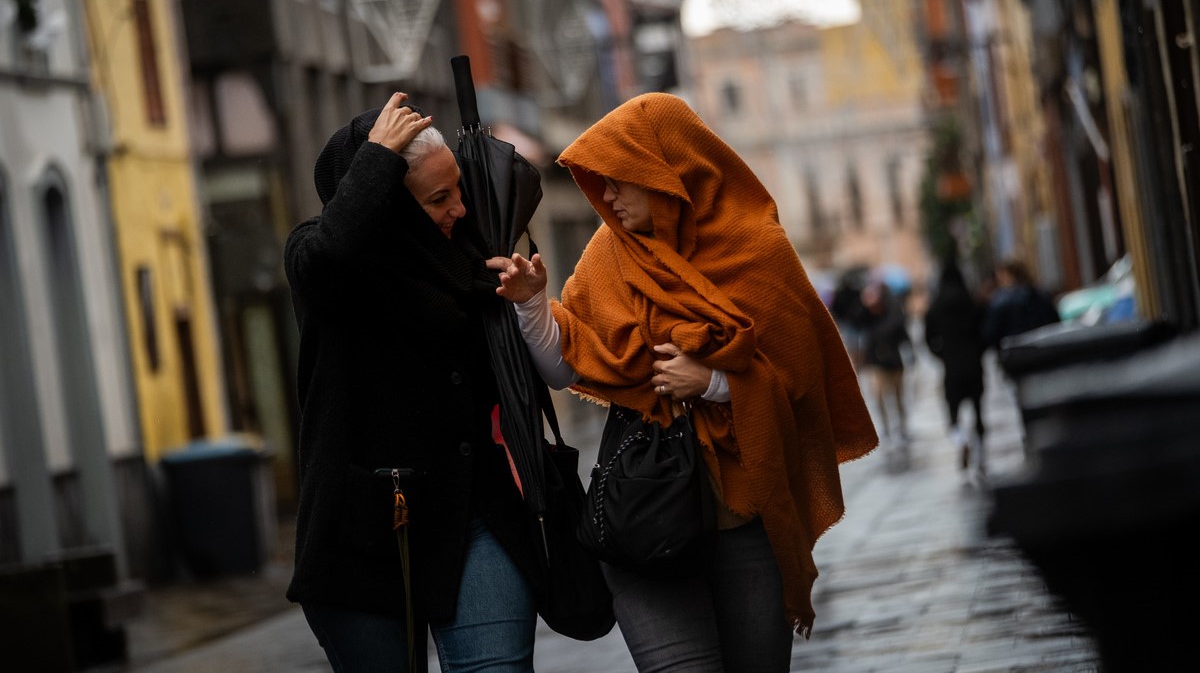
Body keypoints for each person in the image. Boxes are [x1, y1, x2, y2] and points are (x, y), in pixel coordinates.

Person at [488, 92, 879, 671]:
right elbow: (567, 366)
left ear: (667, 171)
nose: (608, 196)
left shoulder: (758, 250)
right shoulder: (609, 256)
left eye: (619, 179)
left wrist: (716, 382)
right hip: (642, 516)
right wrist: (530, 307)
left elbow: (801, 384)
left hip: (744, 520)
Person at [283, 92, 545, 672]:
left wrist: (530, 307)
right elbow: (331, 260)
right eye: (437, 199)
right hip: (365, 536)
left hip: (476, 516)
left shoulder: (473, 260)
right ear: (387, 204)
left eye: (458, 191)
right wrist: (377, 156)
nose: (460, 210)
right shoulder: (319, 259)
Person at [923, 259, 987, 474]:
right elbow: (985, 330)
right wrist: (979, 350)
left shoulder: (936, 305)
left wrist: (941, 355)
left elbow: (928, 337)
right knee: (978, 408)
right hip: (973, 361)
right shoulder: (971, 301)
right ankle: (980, 451)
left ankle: (960, 440)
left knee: (953, 410)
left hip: (951, 364)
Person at [858, 281, 912, 444]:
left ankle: (902, 428)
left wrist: (910, 354)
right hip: (876, 364)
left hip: (894, 362)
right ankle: (886, 429)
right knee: (879, 397)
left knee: (898, 396)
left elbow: (902, 333)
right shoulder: (867, 317)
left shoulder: (893, 314)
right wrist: (865, 302)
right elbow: (856, 318)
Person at [982, 258, 1060, 349]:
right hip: (1045, 348)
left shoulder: (1000, 301)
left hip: (1015, 353)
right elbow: (1055, 322)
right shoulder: (1041, 295)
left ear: (1007, 276)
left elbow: (990, 334)